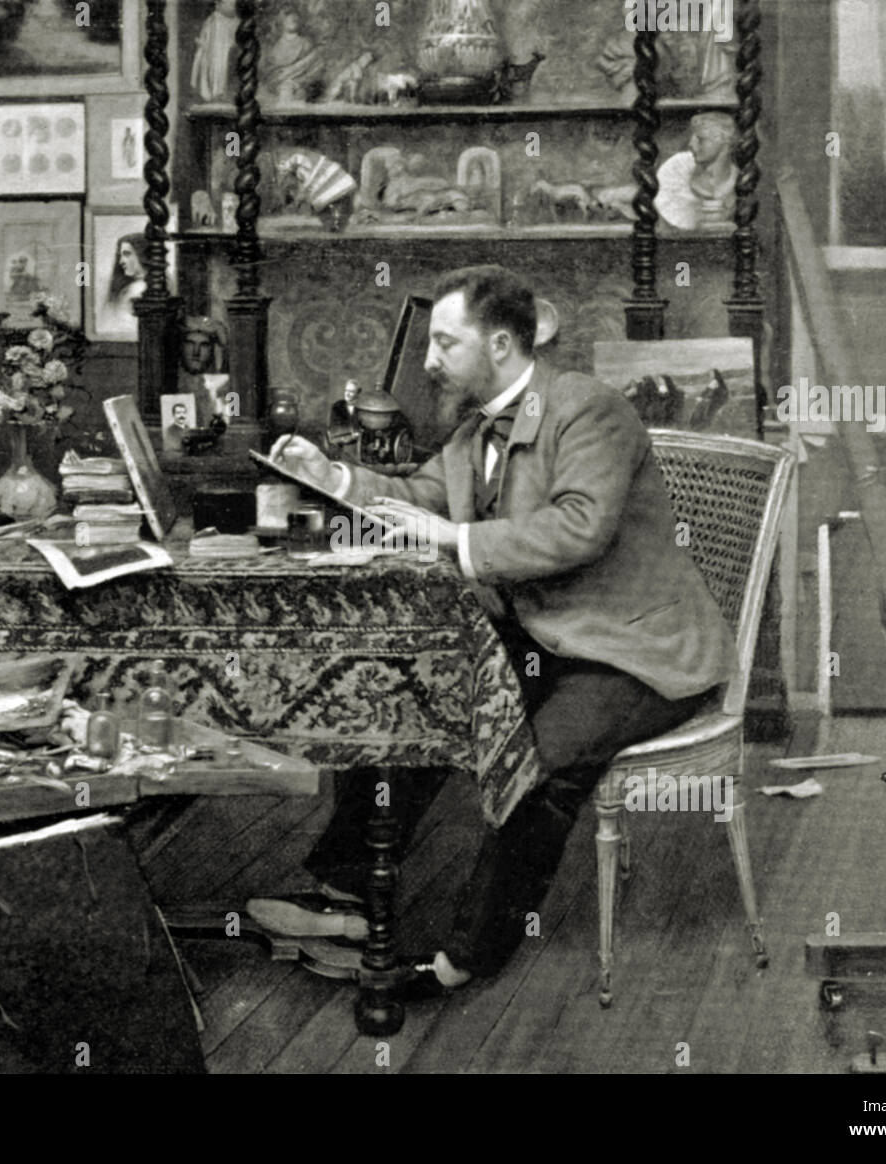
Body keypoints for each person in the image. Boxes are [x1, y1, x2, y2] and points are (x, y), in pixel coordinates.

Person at [258, 264, 736, 997]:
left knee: (537, 769)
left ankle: (462, 960)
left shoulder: (589, 409)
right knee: (406, 688)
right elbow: (419, 495)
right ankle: (348, 895)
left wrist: (453, 541)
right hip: (547, 638)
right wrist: (336, 477)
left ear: (504, 344)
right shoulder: (473, 428)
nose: (428, 360)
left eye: (447, 343)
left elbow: (579, 528)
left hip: (637, 649)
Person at [191, 0, 240, 101]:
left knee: (221, 65)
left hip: (224, 51)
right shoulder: (214, 20)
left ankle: (218, 92)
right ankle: (216, 92)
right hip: (215, 53)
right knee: (215, 64)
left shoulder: (231, 21)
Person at [104, 233, 148, 333]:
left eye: (127, 254)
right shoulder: (133, 286)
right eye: (120, 256)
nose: (121, 261)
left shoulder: (139, 288)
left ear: (141, 255)